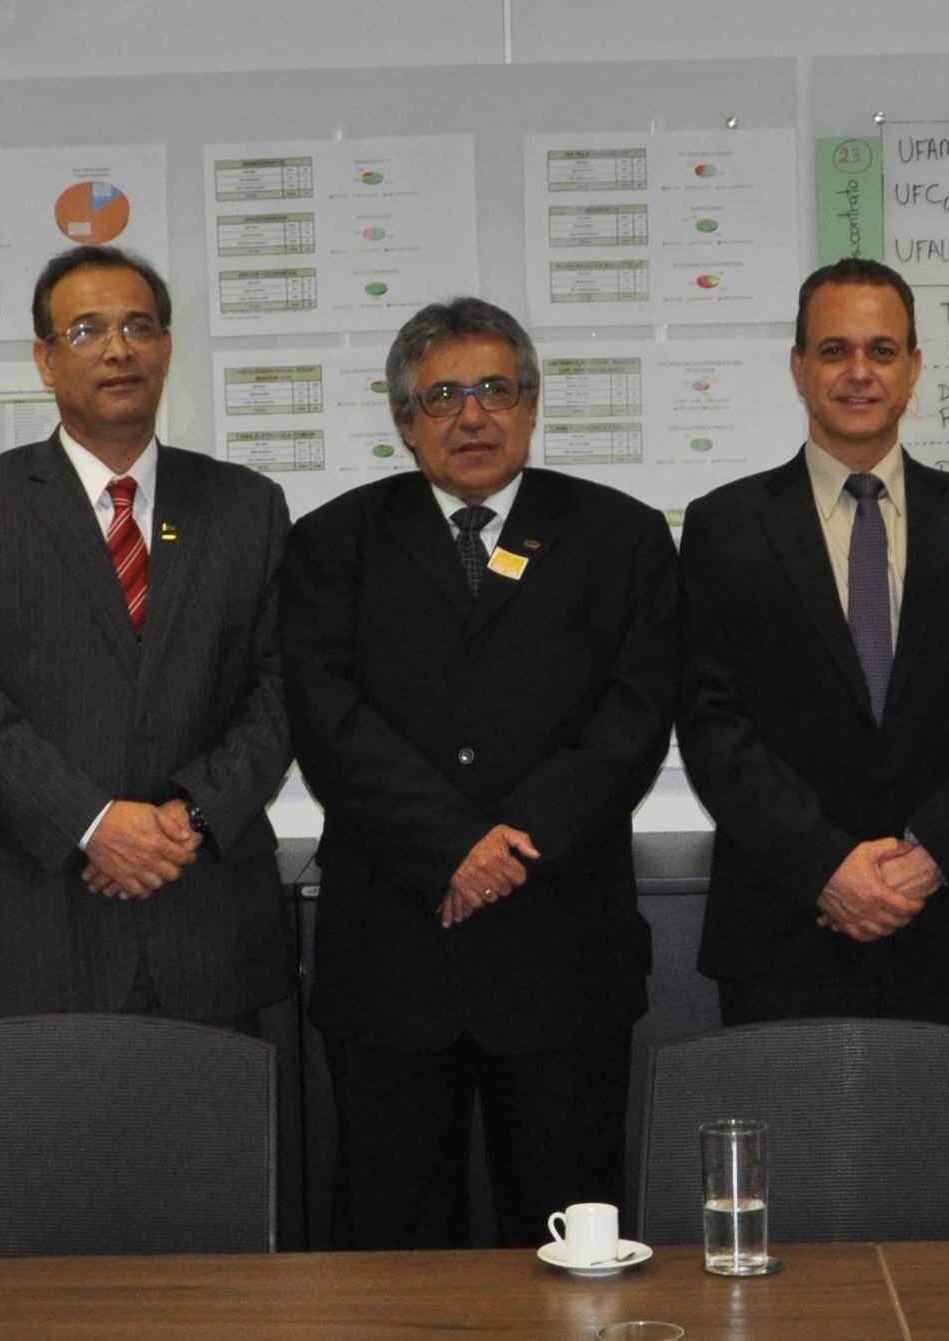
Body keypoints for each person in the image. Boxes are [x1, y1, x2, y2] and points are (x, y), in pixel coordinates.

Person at [283, 297, 679, 1249]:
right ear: (403, 420)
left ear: (533, 406)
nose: (472, 415)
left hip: (558, 955)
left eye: (495, 390)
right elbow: (328, 722)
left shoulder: (620, 536)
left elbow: (632, 722)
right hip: (392, 956)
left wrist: (509, 849)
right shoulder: (331, 543)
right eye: (444, 395)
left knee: (570, 1241)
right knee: (389, 1242)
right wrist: (453, 848)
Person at [0, 245, 292, 1031]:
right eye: (86, 330)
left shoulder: (246, 507)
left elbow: (283, 685)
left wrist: (188, 816)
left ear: (168, 347)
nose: (118, 349)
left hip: (207, 920)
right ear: (45, 359)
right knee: (38, 1158)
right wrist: (90, 822)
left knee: (210, 1157)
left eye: (138, 327)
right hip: (31, 929)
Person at [676, 258, 949, 1030]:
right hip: (784, 926)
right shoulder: (724, 527)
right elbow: (711, 722)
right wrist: (825, 868)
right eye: (834, 350)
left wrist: (929, 854)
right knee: (793, 1152)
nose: (858, 372)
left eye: (881, 350)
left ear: (913, 367)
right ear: (799, 367)